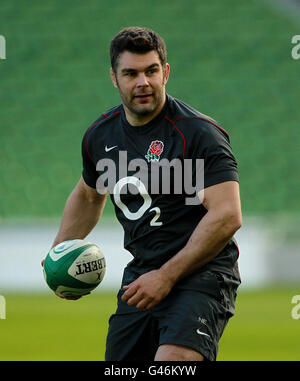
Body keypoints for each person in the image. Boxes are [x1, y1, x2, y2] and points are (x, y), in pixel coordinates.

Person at [42, 26, 242, 361]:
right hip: (142, 277)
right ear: (114, 78)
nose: (142, 82)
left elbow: (227, 215)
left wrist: (166, 276)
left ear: (165, 72)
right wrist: (58, 254)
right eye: (130, 73)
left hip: (202, 275)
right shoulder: (99, 135)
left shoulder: (199, 133)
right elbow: (89, 195)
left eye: (151, 71)